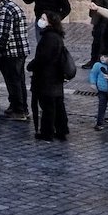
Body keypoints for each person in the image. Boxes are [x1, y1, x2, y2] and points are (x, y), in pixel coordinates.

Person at [28, 12, 72, 141]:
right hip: (54, 77)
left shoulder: (49, 38)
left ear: (50, 22)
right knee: (57, 104)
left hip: (47, 78)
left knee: (48, 106)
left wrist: (31, 65)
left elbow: (43, 58)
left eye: (43, 19)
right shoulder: (55, 36)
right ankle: (61, 130)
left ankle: (47, 133)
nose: (40, 20)